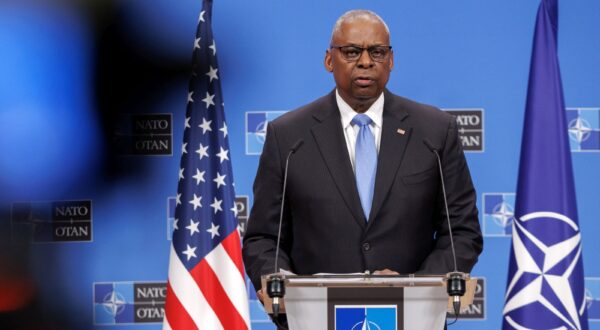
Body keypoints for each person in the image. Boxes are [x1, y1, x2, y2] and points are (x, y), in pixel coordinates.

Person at [242, 9, 483, 302]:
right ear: (329, 60)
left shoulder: (434, 132)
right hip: (315, 316)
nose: (366, 62)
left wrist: (415, 287)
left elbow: (462, 233)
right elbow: (263, 239)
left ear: (391, 61)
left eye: (378, 52)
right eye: (352, 51)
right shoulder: (289, 137)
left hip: (411, 317)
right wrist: (290, 289)